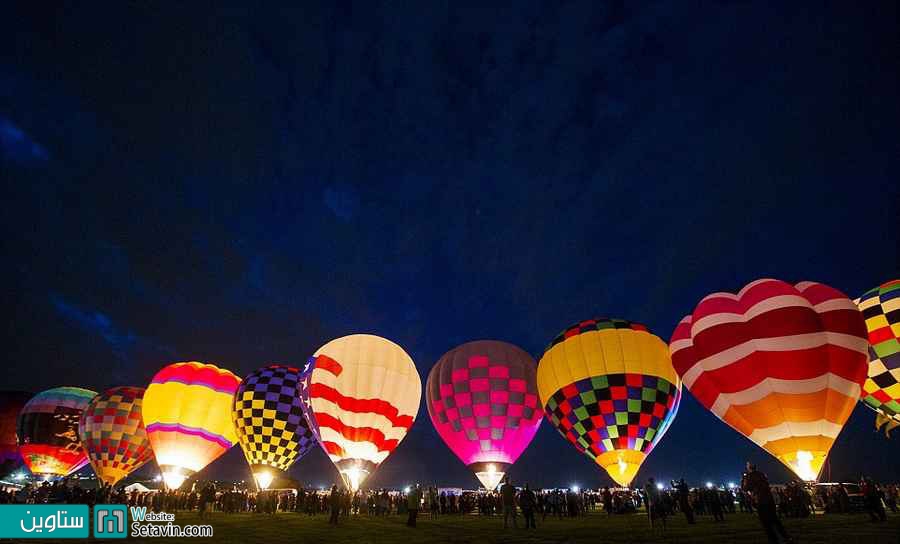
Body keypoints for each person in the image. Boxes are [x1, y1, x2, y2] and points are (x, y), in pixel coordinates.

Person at [742, 462, 793, 543]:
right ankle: (786, 537)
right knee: (775, 520)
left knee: (765, 522)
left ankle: (773, 539)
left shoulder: (749, 476)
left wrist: (744, 479)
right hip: (769, 500)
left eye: (747, 466)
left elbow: (745, 488)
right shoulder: (762, 474)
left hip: (761, 501)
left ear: (749, 468)